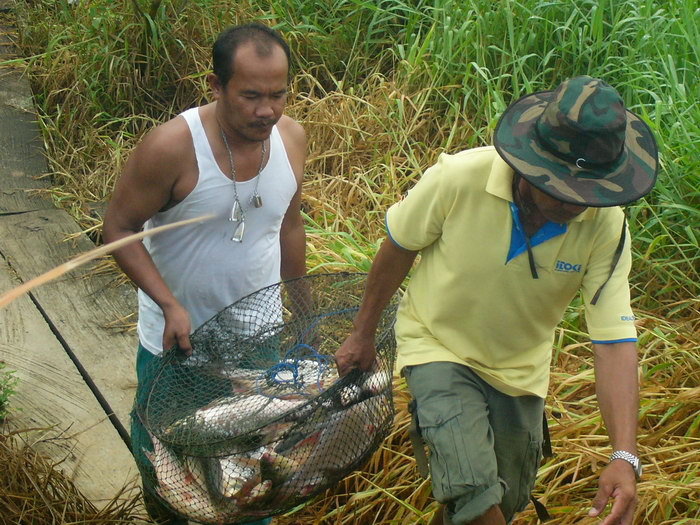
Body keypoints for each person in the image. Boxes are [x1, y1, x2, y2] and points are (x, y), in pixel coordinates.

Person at [335, 76, 657, 525]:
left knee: (498, 502)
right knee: (471, 485)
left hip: (518, 373)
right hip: (437, 345)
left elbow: (614, 341)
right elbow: (398, 246)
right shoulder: (458, 179)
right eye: (562, 189)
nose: (575, 203)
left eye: (589, 193)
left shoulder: (606, 226)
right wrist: (362, 333)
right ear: (530, 164)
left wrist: (625, 454)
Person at [103, 23, 307, 525]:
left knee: (250, 471)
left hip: (257, 335)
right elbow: (118, 227)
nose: (267, 110)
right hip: (179, 343)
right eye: (251, 96)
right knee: (173, 467)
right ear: (216, 87)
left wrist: (304, 310)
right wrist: (169, 305)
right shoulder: (171, 147)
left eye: (278, 95)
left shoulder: (292, 139)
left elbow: (289, 226)